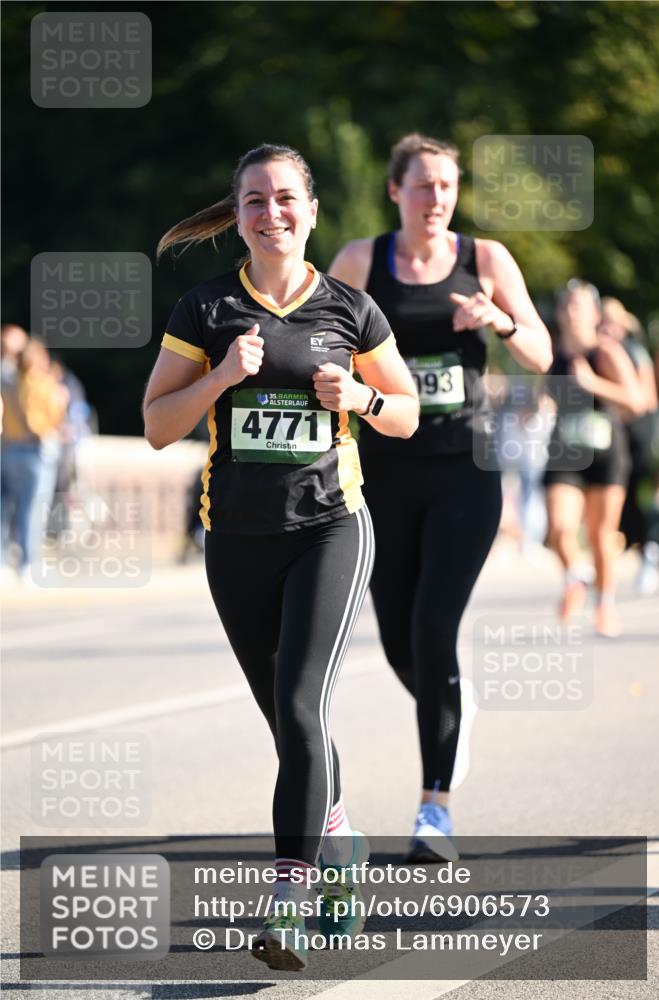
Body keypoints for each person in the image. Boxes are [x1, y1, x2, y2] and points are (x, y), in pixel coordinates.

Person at [144, 143, 418, 971]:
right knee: (285, 721)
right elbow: (158, 425)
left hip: (333, 526)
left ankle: (289, 899)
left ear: (312, 209)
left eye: (286, 198)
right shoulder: (205, 308)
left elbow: (404, 412)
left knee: (300, 710)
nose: (272, 214)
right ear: (237, 216)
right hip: (235, 538)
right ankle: (339, 842)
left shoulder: (351, 309)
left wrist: (363, 398)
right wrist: (221, 377)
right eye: (255, 201)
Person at [329, 133, 552, 863]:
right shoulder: (362, 261)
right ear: (394, 191)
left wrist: (499, 321)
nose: (436, 200)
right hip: (384, 473)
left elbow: (541, 352)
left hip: (465, 469)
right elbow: (318, 339)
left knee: (431, 627)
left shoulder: (483, 259)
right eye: (422, 187)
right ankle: (450, 700)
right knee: (397, 637)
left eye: (447, 188)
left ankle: (434, 809)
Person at [543, 281, 646, 636]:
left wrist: (593, 384)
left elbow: (637, 402)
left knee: (601, 536)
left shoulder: (606, 353)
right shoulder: (553, 352)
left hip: (606, 451)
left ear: (594, 314)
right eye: (567, 305)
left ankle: (605, 605)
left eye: (580, 306)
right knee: (558, 529)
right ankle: (576, 576)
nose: (572, 312)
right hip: (565, 450)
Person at [598, 297, 659, 594]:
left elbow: (646, 398)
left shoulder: (635, 353)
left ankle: (648, 548)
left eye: (611, 323)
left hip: (637, 434)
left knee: (638, 493)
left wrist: (621, 401)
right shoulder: (597, 354)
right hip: (609, 435)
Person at [1, 332, 68, 579]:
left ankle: (4, 563)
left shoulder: (8, 380)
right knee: (32, 510)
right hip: (34, 450)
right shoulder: (41, 382)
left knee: (5, 510)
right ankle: (29, 563)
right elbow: (41, 419)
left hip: (8, 449)